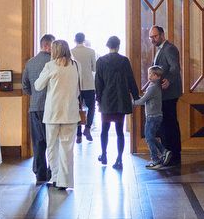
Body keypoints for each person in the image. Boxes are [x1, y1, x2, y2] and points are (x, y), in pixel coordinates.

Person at [35, 39, 81, 190]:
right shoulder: (76, 65)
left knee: (52, 146)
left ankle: (55, 177)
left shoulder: (50, 66)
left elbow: (38, 85)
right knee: (67, 148)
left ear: (54, 50)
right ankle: (65, 181)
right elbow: (79, 88)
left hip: (53, 112)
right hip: (70, 112)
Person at [94, 35, 139, 169]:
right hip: (121, 100)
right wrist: (135, 96)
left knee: (104, 129)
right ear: (118, 46)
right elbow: (131, 79)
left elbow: (98, 82)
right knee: (120, 131)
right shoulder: (124, 61)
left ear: (108, 46)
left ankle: (104, 155)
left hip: (107, 100)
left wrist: (98, 98)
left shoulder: (101, 61)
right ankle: (119, 159)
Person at [22, 33, 55, 184]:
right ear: (48, 46)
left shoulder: (30, 63)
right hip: (52, 107)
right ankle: (52, 172)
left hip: (35, 107)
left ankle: (40, 173)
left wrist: (35, 95)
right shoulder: (54, 62)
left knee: (38, 142)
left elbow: (25, 86)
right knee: (52, 141)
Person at [148, 26, 182, 166]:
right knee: (165, 125)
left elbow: (175, 67)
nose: (153, 39)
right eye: (151, 37)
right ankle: (167, 155)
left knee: (169, 125)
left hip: (169, 93)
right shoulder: (160, 50)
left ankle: (173, 156)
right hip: (162, 94)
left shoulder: (169, 48)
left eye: (155, 36)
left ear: (162, 35)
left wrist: (169, 80)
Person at [133, 65, 169, 170]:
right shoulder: (154, 86)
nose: (149, 76)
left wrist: (130, 102)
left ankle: (156, 160)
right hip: (156, 116)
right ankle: (164, 152)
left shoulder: (153, 88)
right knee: (151, 137)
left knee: (149, 138)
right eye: (149, 74)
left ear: (158, 77)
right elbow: (145, 98)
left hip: (152, 117)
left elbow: (142, 101)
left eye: (152, 75)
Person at [71, 32, 97, 143]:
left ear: (75, 40)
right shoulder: (91, 51)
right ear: (84, 40)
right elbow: (95, 68)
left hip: (75, 85)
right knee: (91, 108)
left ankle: (78, 135)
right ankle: (87, 128)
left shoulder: (71, 52)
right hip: (89, 84)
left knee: (77, 109)